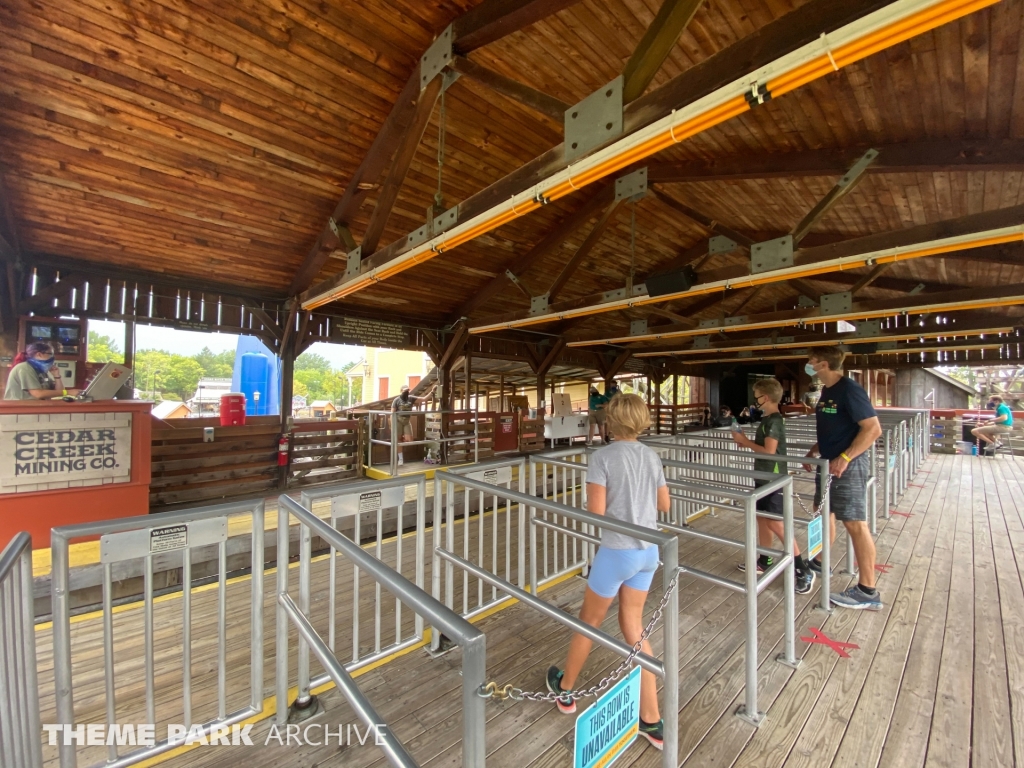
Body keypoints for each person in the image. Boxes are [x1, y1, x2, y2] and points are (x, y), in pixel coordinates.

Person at [546, 394, 669, 749]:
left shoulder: (602, 458)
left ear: (611, 422)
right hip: (648, 552)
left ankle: (566, 688)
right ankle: (651, 719)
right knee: (634, 626)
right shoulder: (651, 455)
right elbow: (664, 504)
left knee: (590, 622)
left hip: (617, 552)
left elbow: (596, 511)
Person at [802, 347, 883, 610]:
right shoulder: (827, 391)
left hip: (848, 465)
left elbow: (873, 429)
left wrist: (845, 457)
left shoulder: (849, 389)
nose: (808, 365)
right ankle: (820, 561)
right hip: (827, 462)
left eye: (812, 361)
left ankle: (867, 590)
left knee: (855, 523)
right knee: (823, 511)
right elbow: (836, 427)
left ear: (823, 364)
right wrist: (815, 449)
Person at [731, 378, 814, 594]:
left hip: (773, 479)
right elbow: (765, 448)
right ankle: (765, 559)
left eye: (756, 396)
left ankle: (802, 569)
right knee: (762, 518)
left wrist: (744, 441)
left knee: (776, 523)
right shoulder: (767, 419)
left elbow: (769, 451)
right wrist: (746, 442)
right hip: (763, 476)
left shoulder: (774, 421)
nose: (755, 400)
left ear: (765, 398)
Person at [4, 342, 80, 400]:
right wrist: (68, 392)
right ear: (39, 354)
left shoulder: (40, 371)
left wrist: (57, 376)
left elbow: (59, 391)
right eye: (50, 354)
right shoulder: (25, 368)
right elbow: (38, 394)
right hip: (20, 409)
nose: (53, 357)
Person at [391, 383, 436, 465]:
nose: (407, 392)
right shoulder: (396, 400)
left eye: (408, 390)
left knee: (410, 440)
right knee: (398, 440)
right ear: (401, 391)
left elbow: (424, 399)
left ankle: (402, 440)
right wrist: (392, 425)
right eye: (405, 390)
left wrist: (432, 392)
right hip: (398, 420)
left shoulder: (411, 398)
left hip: (407, 420)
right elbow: (392, 413)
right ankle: (400, 459)